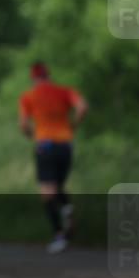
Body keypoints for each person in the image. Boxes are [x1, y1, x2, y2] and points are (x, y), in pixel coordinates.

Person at [18, 61, 88, 254]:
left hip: (45, 146)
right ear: (48, 75)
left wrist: (32, 135)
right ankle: (67, 209)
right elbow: (82, 107)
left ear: (33, 78)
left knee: (47, 193)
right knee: (58, 185)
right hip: (65, 145)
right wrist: (73, 126)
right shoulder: (64, 91)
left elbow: (23, 125)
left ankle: (59, 235)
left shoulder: (28, 96)